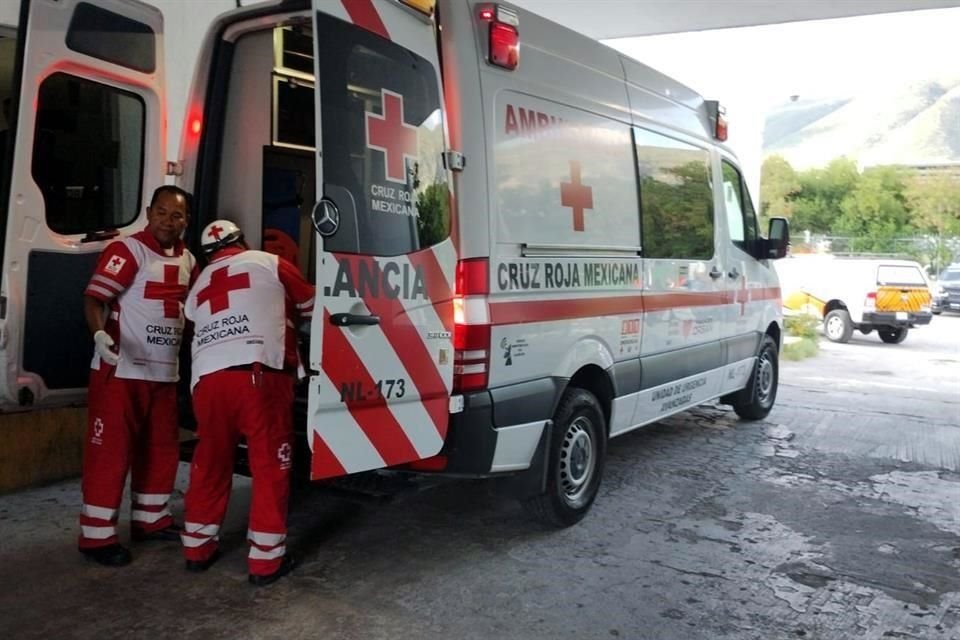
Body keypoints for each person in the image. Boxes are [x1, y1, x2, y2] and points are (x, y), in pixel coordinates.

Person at [180, 219, 314, 587]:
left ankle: (197, 549)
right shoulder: (268, 261)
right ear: (243, 241)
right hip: (258, 377)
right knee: (270, 466)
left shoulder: (200, 282)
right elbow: (311, 301)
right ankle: (265, 562)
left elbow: (194, 319)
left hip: (207, 382)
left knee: (210, 463)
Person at [79, 185, 196, 566]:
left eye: (176, 215)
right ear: (149, 212)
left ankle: (150, 519)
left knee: (161, 448)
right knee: (110, 452)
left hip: (164, 373)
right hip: (122, 370)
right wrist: (99, 335)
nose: (168, 221)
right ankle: (96, 537)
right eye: (161, 212)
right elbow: (95, 297)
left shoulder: (189, 260)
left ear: (186, 221)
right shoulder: (127, 250)